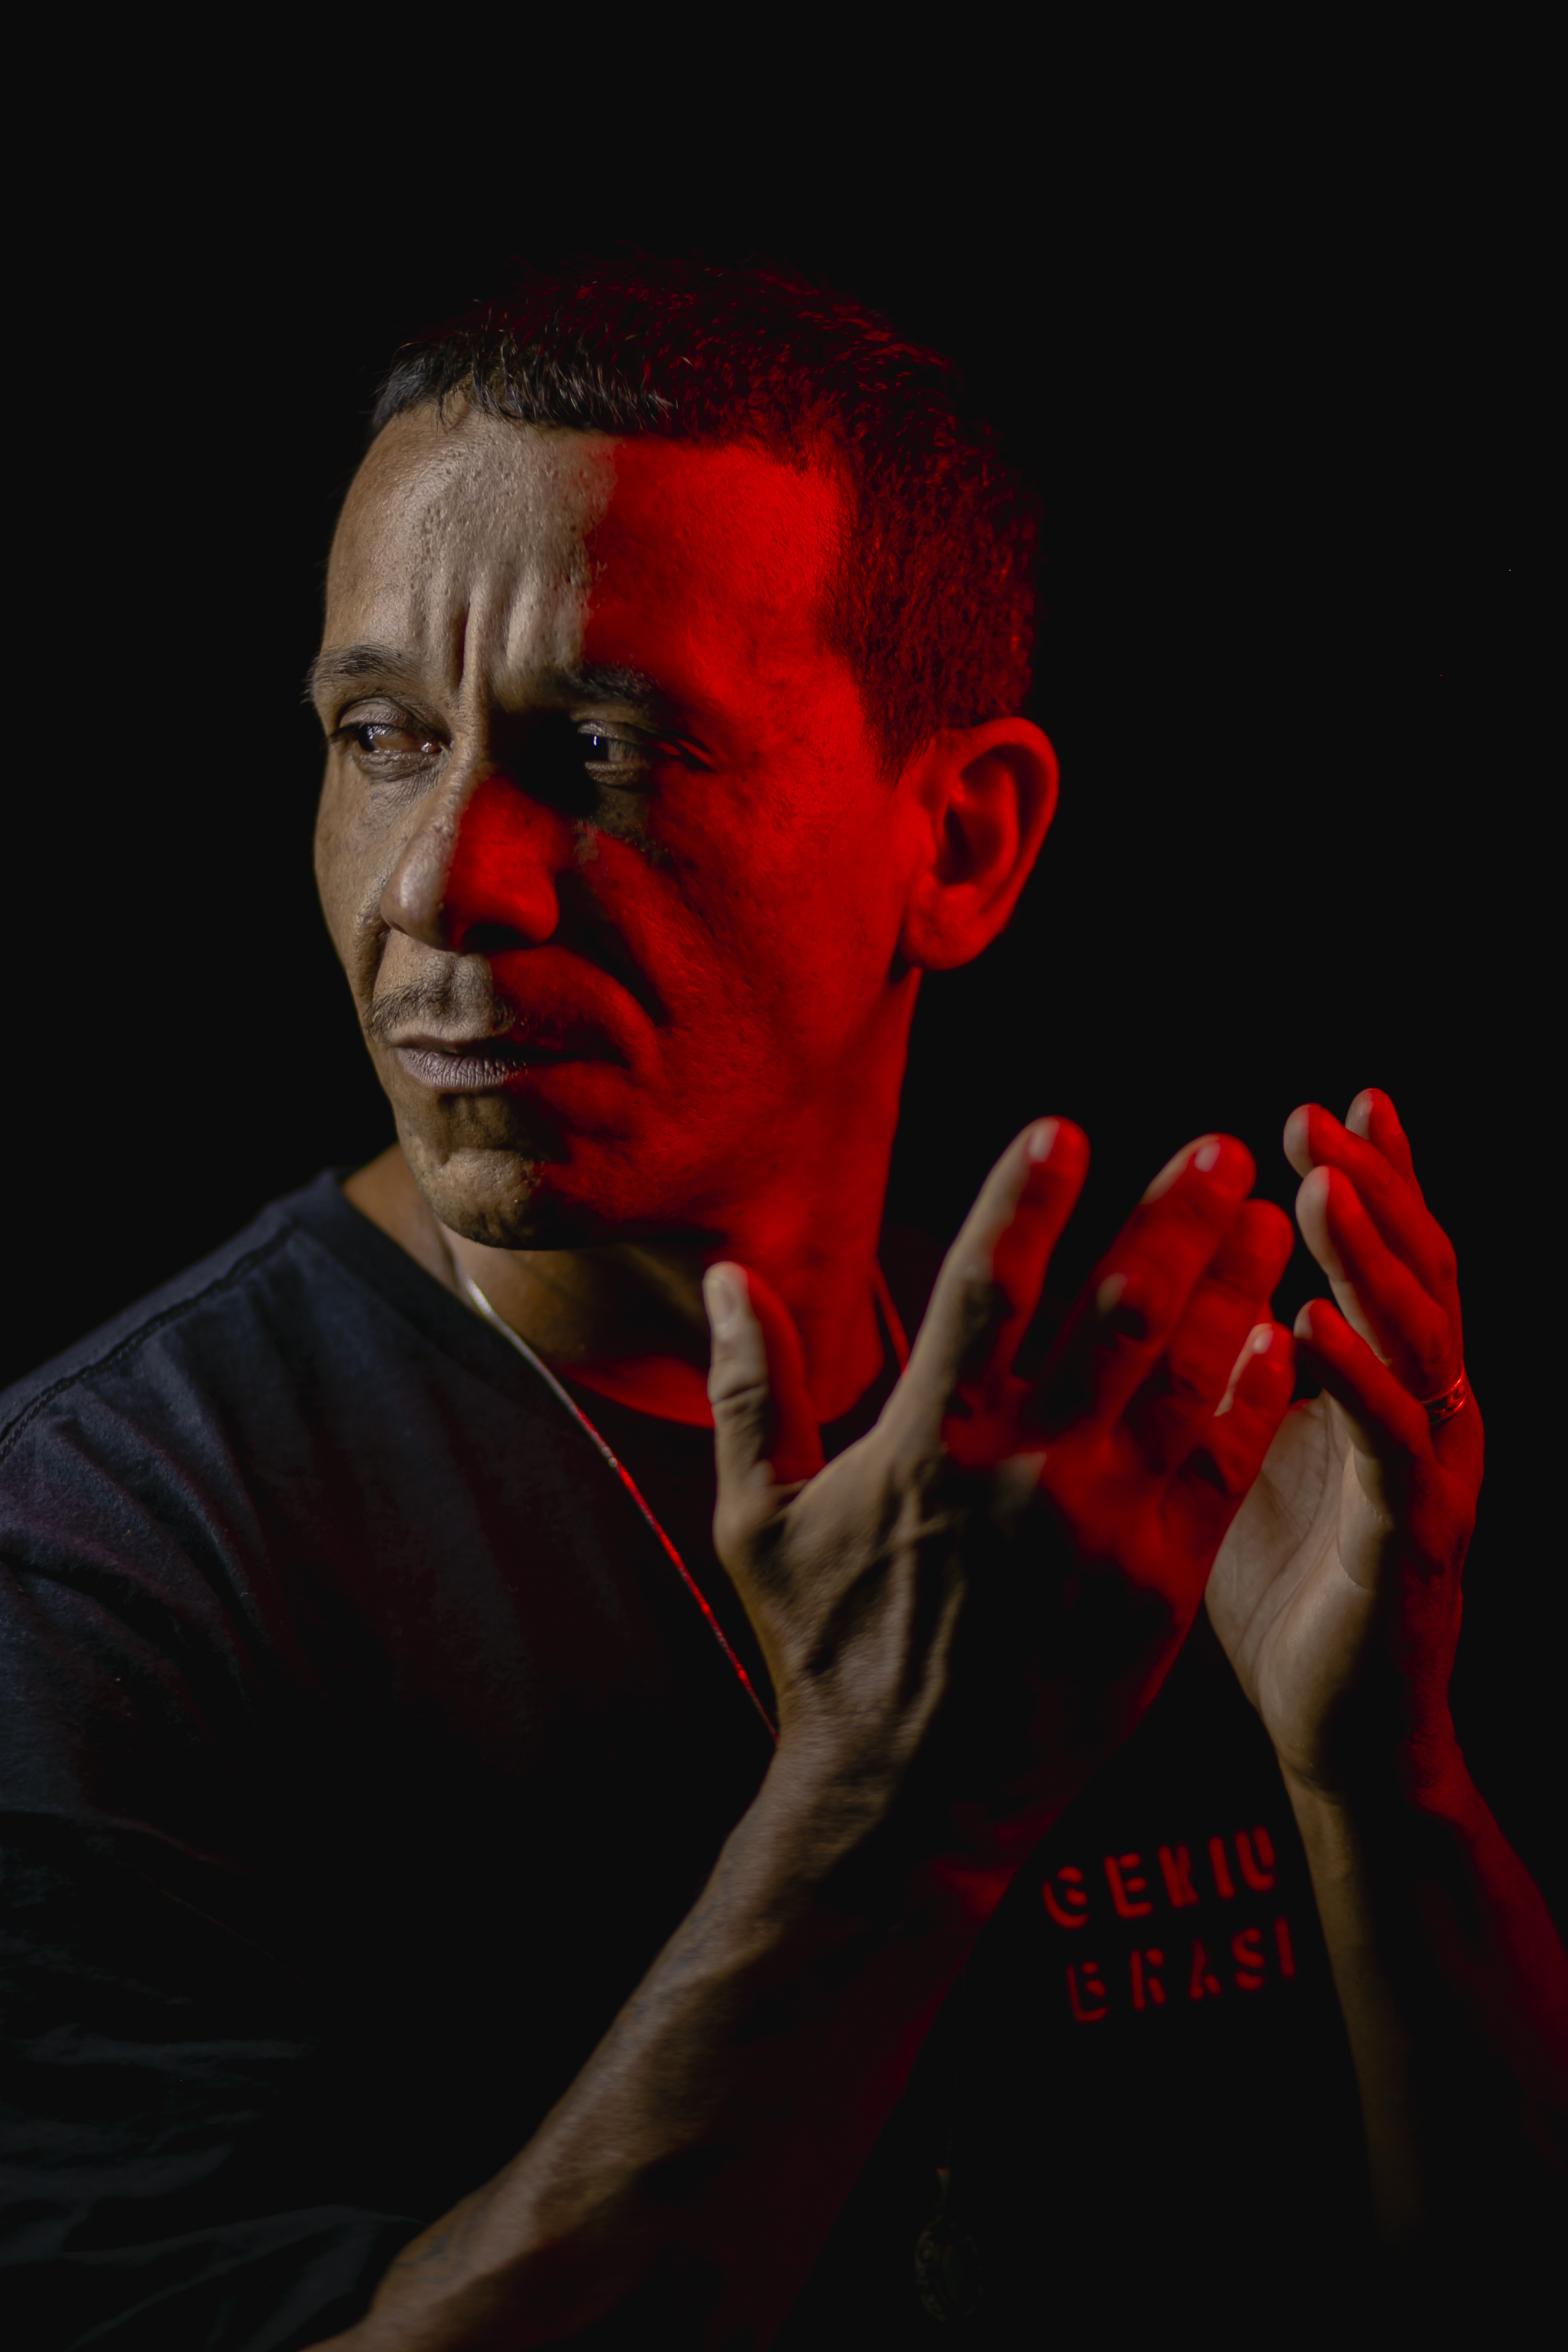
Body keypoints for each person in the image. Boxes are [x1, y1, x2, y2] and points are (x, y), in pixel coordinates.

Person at [1, 254, 1562, 2352]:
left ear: (963, 841)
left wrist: (1381, 1780)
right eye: (380, 736)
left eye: (602, 748)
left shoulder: (1146, 1456)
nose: (440, 883)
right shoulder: (95, 1570)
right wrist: (888, 1800)